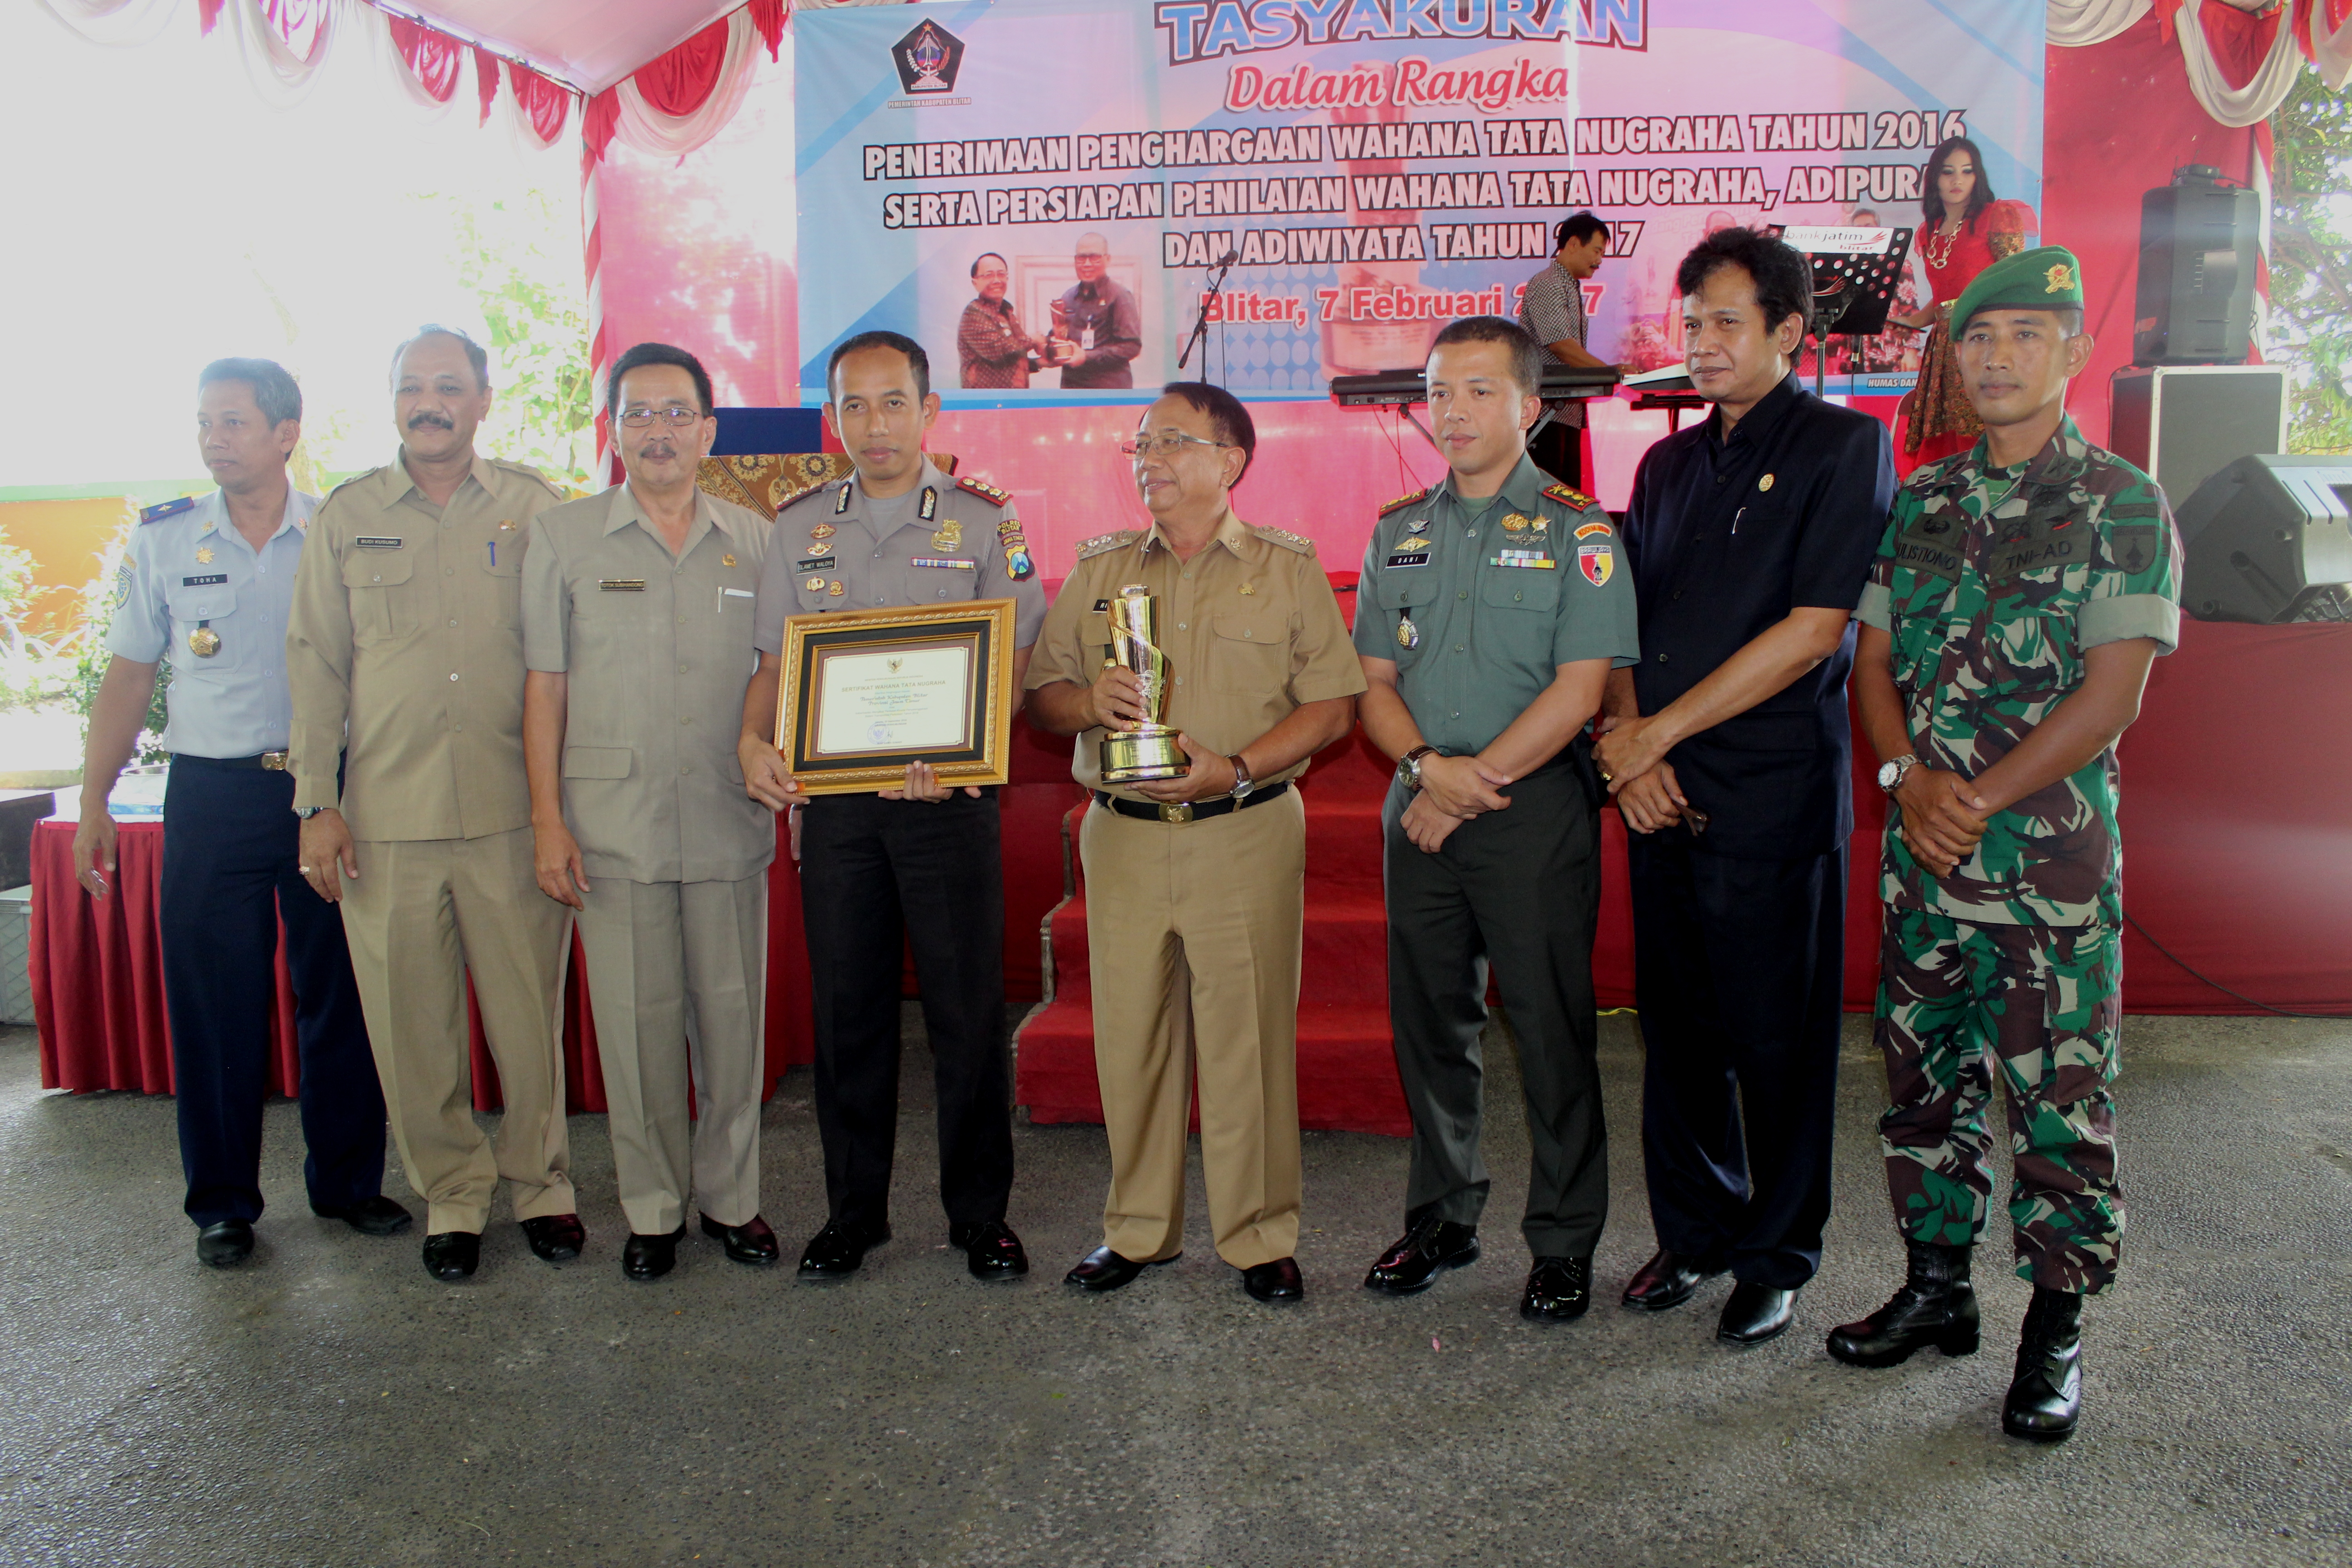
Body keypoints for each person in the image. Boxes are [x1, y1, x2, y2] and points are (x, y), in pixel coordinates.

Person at [1829, 247, 2177, 1444]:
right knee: (1922, 1086)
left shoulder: (2122, 500)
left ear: (2074, 351)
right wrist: (1903, 778)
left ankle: (2055, 1330)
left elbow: (2112, 694)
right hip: (1924, 865)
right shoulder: (1922, 499)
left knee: (2058, 1102)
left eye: (2027, 334)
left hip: (2045, 876)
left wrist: (1968, 798)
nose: (1997, 356)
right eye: (1979, 337)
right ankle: (1937, 1291)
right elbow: (1875, 661)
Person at [1593, 229, 1895, 1346]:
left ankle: (1776, 1254)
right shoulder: (1665, 464)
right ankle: (1696, 1231)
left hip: (1767, 797)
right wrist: (1630, 745)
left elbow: (1815, 632)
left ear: (1787, 330)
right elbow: (1619, 620)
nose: (1704, 342)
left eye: (1727, 321)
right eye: (1691, 324)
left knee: (1776, 1042)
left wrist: (1654, 735)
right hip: (1657, 790)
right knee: (1676, 1035)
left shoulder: (1843, 447)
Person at [1024, 381, 1362, 1304]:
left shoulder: (1287, 568)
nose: (1150, 459)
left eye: (1172, 441)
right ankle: (1138, 1229)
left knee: (1247, 1039)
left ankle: (1258, 1235)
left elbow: (1333, 706)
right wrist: (1085, 703)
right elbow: (1042, 698)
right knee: (1130, 1037)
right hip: (1125, 839)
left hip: (1243, 828)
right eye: (1141, 443)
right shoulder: (1099, 570)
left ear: (1231, 461)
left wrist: (1238, 767)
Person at [72, 358, 401, 1268]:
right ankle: (222, 1203)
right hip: (212, 796)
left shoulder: (340, 533)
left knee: (340, 991)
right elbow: (130, 675)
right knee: (214, 1001)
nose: (213, 439)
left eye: (232, 422)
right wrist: (95, 797)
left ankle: (348, 1183)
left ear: (286, 433)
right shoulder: (166, 540)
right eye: (204, 423)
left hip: (325, 790)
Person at [737, 330, 1045, 1283]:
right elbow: (775, 664)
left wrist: (968, 752)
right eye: (854, 405)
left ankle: (980, 1216)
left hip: (948, 803)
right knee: (849, 1013)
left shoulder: (985, 520)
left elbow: (1016, 661)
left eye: (893, 402)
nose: (874, 424)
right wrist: (751, 739)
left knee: (964, 1013)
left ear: (929, 410)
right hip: (838, 813)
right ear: (833, 417)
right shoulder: (797, 528)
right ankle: (852, 1214)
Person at [1354, 318, 1639, 1324]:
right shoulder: (1397, 529)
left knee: (1550, 1031)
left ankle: (1562, 1242)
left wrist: (1468, 785)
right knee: (1431, 1025)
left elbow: (1580, 690)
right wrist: (1426, 774)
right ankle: (1442, 1217)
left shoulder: (1577, 529)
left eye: (1479, 391)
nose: (1455, 411)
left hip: (1529, 811)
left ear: (1529, 405)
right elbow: (1373, 684)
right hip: (1419, 804)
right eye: (1439, 392)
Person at [286, 326, 581, 1284]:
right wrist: (316, 800)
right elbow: (317, 662)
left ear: (483, 400)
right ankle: (452, 1194)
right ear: (393, 401)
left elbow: (573, 659)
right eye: (412, 386)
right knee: (411, 1031)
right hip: (388, 822)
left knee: (527, 1023)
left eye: (449, 386)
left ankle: (541, 1185)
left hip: (513, 815)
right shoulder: (348, 515)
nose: (429, 403)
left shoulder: (537, 509)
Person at [521, 343, 777, 1282]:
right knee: (635, 1031)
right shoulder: (564, 538)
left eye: (677, 414)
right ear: (614, 429)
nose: (658, 431)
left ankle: (732, 1200)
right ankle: (653, 1209)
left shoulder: (758, 542)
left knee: (731, 1025)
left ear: (709, 430)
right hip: (610, 826)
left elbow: (780, 669)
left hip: (724, 814)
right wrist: (547, 820)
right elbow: (544, 686)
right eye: (638, 413)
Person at [1886, 137, 2033, 470]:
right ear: (1934, 178)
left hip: (1985, 339)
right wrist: (1908, 322)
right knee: (1944, 446)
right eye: (1948, 172)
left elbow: (2015, 283)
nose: (1957, 180)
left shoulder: (1998, 216)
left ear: (1977, 176)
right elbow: (1942, 299)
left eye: (1967, 171)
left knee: (1982, 430)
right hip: (1943, 346)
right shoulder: (1929, 231)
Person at [1515, 212, 1613, 489]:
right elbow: (1560, 345)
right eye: (1597, 251)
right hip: (1544, 412)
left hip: (1564, 411)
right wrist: (1609, 373)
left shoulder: (1568, 285)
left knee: (1567, 500)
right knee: (1546, 500)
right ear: (1573, 244)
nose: (1600, 260)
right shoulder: (1549, 283)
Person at [1050, 233, 1142, 390]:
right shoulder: (1068, 297)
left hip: (1107, 389)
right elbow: (1060, 336)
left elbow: (1131, 346)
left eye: (1094, 258)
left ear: (1108, 259)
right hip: (1072, 388)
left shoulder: (1119, 296)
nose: (1087, 264)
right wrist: (1048, 346)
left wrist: (1087, 357)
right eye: (1081, 258)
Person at [958, 252, 1041, 390]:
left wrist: (1039, 363)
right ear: (975, 282)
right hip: (985, 399)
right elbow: (999, 350)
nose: (996, 280)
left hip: (1013, 397)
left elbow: (1011, 359)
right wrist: (1033, 340)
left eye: (1001, 274)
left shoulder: (1006, 312)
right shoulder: (973, 314)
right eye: (989, 275)